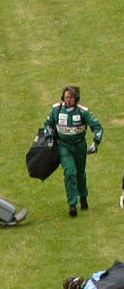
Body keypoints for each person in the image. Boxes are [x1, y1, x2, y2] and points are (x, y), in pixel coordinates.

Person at [43, 85, 103, 216]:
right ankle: (72, 204)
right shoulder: (56, 110)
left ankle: (83, 196)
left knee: (80, 173)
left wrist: (95, 142)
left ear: (76, 98)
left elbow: (97, 127)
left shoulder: (83, 112)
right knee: (70, 172)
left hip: (79, 146)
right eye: (66, 97)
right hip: (63, 146)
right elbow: (47, 124)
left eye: (71, 97)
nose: (68, 100)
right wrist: (49, 139)